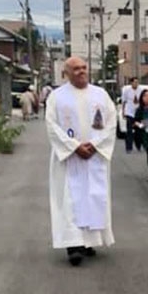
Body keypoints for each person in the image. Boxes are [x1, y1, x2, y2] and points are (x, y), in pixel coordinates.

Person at [44, 57, 118, 266]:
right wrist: (74, 147)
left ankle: (88, 242)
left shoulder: (100, 94)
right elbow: (52, 126)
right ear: (66, 73)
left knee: (94, 197)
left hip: (94, 157)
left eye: (84, 67)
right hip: (69, 159)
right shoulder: (57, 97)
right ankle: (73, 245)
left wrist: (94, 145)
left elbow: (111, 123)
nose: (81, 71)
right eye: (76, 69)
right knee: (71, 201)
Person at [121, 77, 141, 153]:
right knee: (129, 131)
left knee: (138, 130)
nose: (136, 84)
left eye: (137, 82)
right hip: (129, 112)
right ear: (131, 83)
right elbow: (124, 102)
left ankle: (138, 145)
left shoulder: (140, 90)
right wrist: (123, 112)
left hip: (137, 113)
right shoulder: (127, 91)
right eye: (135, 82)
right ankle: (129, 147)